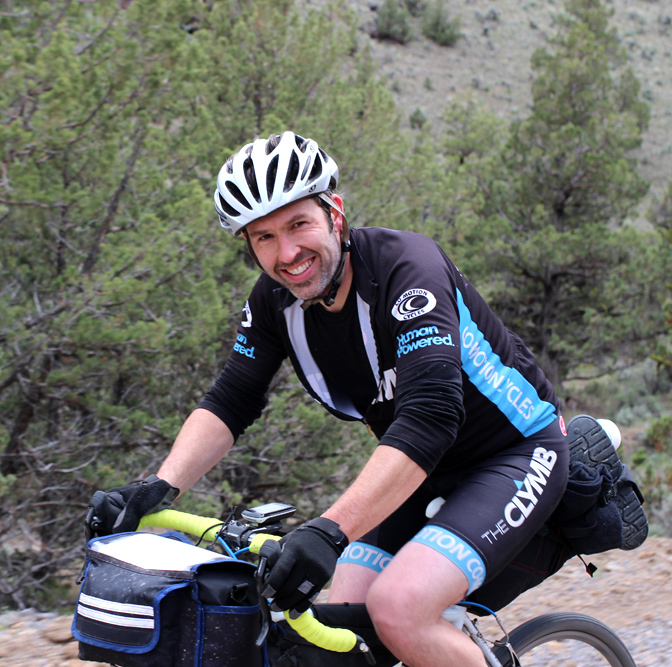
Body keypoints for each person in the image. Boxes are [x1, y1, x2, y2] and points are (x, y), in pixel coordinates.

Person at [84, 132, 636, 667]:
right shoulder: (276, 302)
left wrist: (329, 529)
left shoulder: (406, 269)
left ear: (335, 213)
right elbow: (231, 400)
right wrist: (157, 486)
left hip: (515, 454)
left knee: (398, 608)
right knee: (338, 623)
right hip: (423, 471)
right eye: (264, 237)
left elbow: (430, 418)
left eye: (298, 224)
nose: (288, 253)